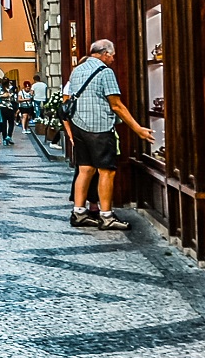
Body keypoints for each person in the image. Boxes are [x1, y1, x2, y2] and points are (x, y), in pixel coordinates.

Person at [62, 39, 152, 229]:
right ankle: (106, 215)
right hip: (99, 127)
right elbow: (116, 104)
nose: (113, 59)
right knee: (106, 171)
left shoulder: (77, 70)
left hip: (78, 125)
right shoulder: (105, 72)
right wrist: (138, 129)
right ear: (104, 53)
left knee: (85, 169)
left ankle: (78, 213)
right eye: (112, 55)